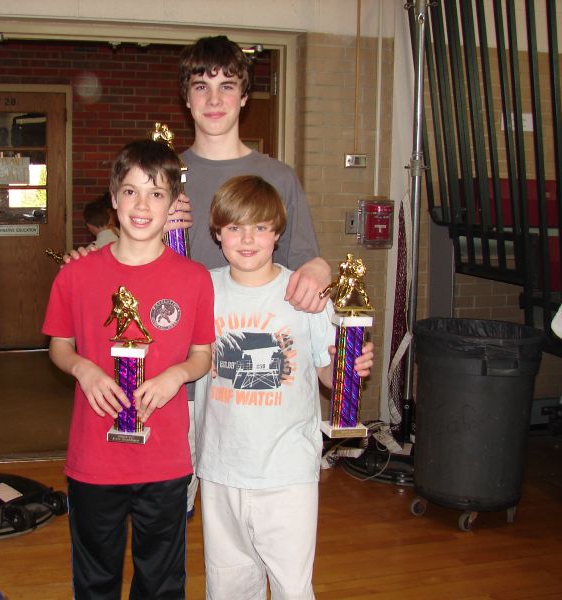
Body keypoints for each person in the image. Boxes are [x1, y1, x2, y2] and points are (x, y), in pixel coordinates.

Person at [42, 138, 214, 599]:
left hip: (165, 457)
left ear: (174, 204)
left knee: (161, 582)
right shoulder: (76, 274)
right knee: (96, 579)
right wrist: (84, 369)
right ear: (114, 199)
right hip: (94, 457)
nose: (143, 205)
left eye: (156, 194)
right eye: (132, 192)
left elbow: (203, 354)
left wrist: (176, 374)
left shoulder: (194, 278)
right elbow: (59, 346)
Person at [194, 175, 374, 600]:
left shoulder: (306, 294)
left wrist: (351, 369)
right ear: (217, 233)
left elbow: (328, 372)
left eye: (260, 227)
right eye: (235, 227)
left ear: (278, 231)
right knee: (228, 585)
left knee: (293, 587)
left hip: (287, 470)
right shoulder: (203, 289)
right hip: (221, 467)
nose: (248, 239)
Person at [175, 34, 332, 516]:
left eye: (227, 85)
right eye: (202, 86)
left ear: (245, 95)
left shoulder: (277, 177)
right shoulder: (164, 176)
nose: (215, 98)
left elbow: (305, 260)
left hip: (245, 373)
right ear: (186, 98)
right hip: (177, 372)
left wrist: (322, 267)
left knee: (253, 507)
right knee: (172, 511)